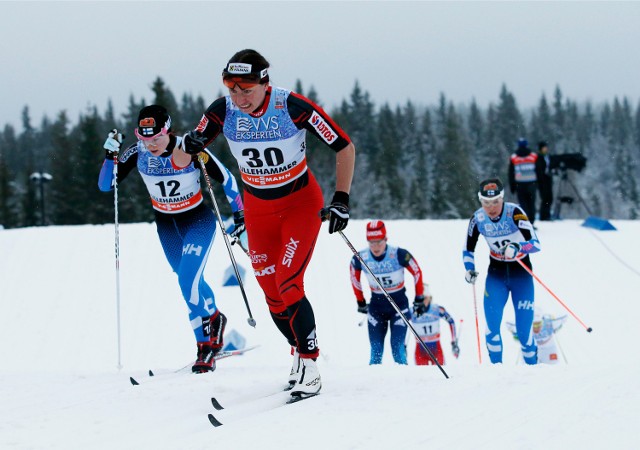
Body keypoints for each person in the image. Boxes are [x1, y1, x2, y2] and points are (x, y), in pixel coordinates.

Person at [178, 49, 356, 399]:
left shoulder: (291, 106)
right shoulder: (221, 111)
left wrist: (342, 199)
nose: (239, 98)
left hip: (299, 204)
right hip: (258, 208)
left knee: (289, 282)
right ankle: (298, 354)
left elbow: (344, 147)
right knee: (272, 293)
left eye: (246, 89)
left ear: (264, 83)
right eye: (233, 89)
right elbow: (183, 157)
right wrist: (190, 143)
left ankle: (311, 364)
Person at [98, 105, 245, 373]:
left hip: (197, 221)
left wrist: (239, 215)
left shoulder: (189, 147)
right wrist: (110, 157)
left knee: (187, 280)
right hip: (166, 225)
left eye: (156, 137)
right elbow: (107, 185)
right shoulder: (138, 151)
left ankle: (206, 346)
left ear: (167, 131)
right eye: (145, 138)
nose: (151, 144)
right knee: (189, 282)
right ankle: (215, 318)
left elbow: (227, 179)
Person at [462, 178, 541, 365]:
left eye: (496, 201)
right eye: (486, 203)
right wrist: (469, 269)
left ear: (502, 198)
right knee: (492, 329)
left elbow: (536, 244)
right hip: (496, 276)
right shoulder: (478, 218)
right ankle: (496, 372)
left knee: (524, 333)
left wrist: (518, 246)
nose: (491, 207)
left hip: (521, 275)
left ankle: (534, 371)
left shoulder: (514, 212)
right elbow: (468, 249)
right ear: (481, 201)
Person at [350, 221, 426, 365]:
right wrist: (360, 301)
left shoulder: (398, 254)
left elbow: (417, 272)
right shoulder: (361, 257)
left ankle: (406, 383)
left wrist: (419, 299)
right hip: (376, 309)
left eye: (379, 242)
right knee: (376, 353)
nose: (375, 247)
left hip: (399, 307)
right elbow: (354, 277)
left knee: (397, 350)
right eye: (371, 242)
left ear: (386, 239)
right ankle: (373, 385)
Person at [410, 291, 459, 366]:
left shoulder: (436, 309)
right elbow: (403, 323)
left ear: (430, 298)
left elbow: (451, 321)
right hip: (420, 351)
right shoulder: (412, 311)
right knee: (421, 376)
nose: (424, 301)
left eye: (426, 298)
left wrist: (454, 342)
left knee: (440, 376)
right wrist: (403, 345)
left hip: (436, 350)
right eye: (422, 298)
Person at [508, 138, 538, 224]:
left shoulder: (514, 157)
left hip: (520, 184)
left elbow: (511, 173)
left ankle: (525, 221)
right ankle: (531, 221)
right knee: (531, 203)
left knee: (523, 204)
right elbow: (539, 170)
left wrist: (512, 186)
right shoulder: (533, 156)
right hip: (532, 183)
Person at [536, 140, 553, 221]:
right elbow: (539, 170)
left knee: (549, 198)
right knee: (545, 198)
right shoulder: (538, 157)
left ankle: (547, 214)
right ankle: (544, 216)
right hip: (542, 181)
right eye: (544, 148)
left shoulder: (547, 157)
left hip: (548, 180)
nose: (546, 149)